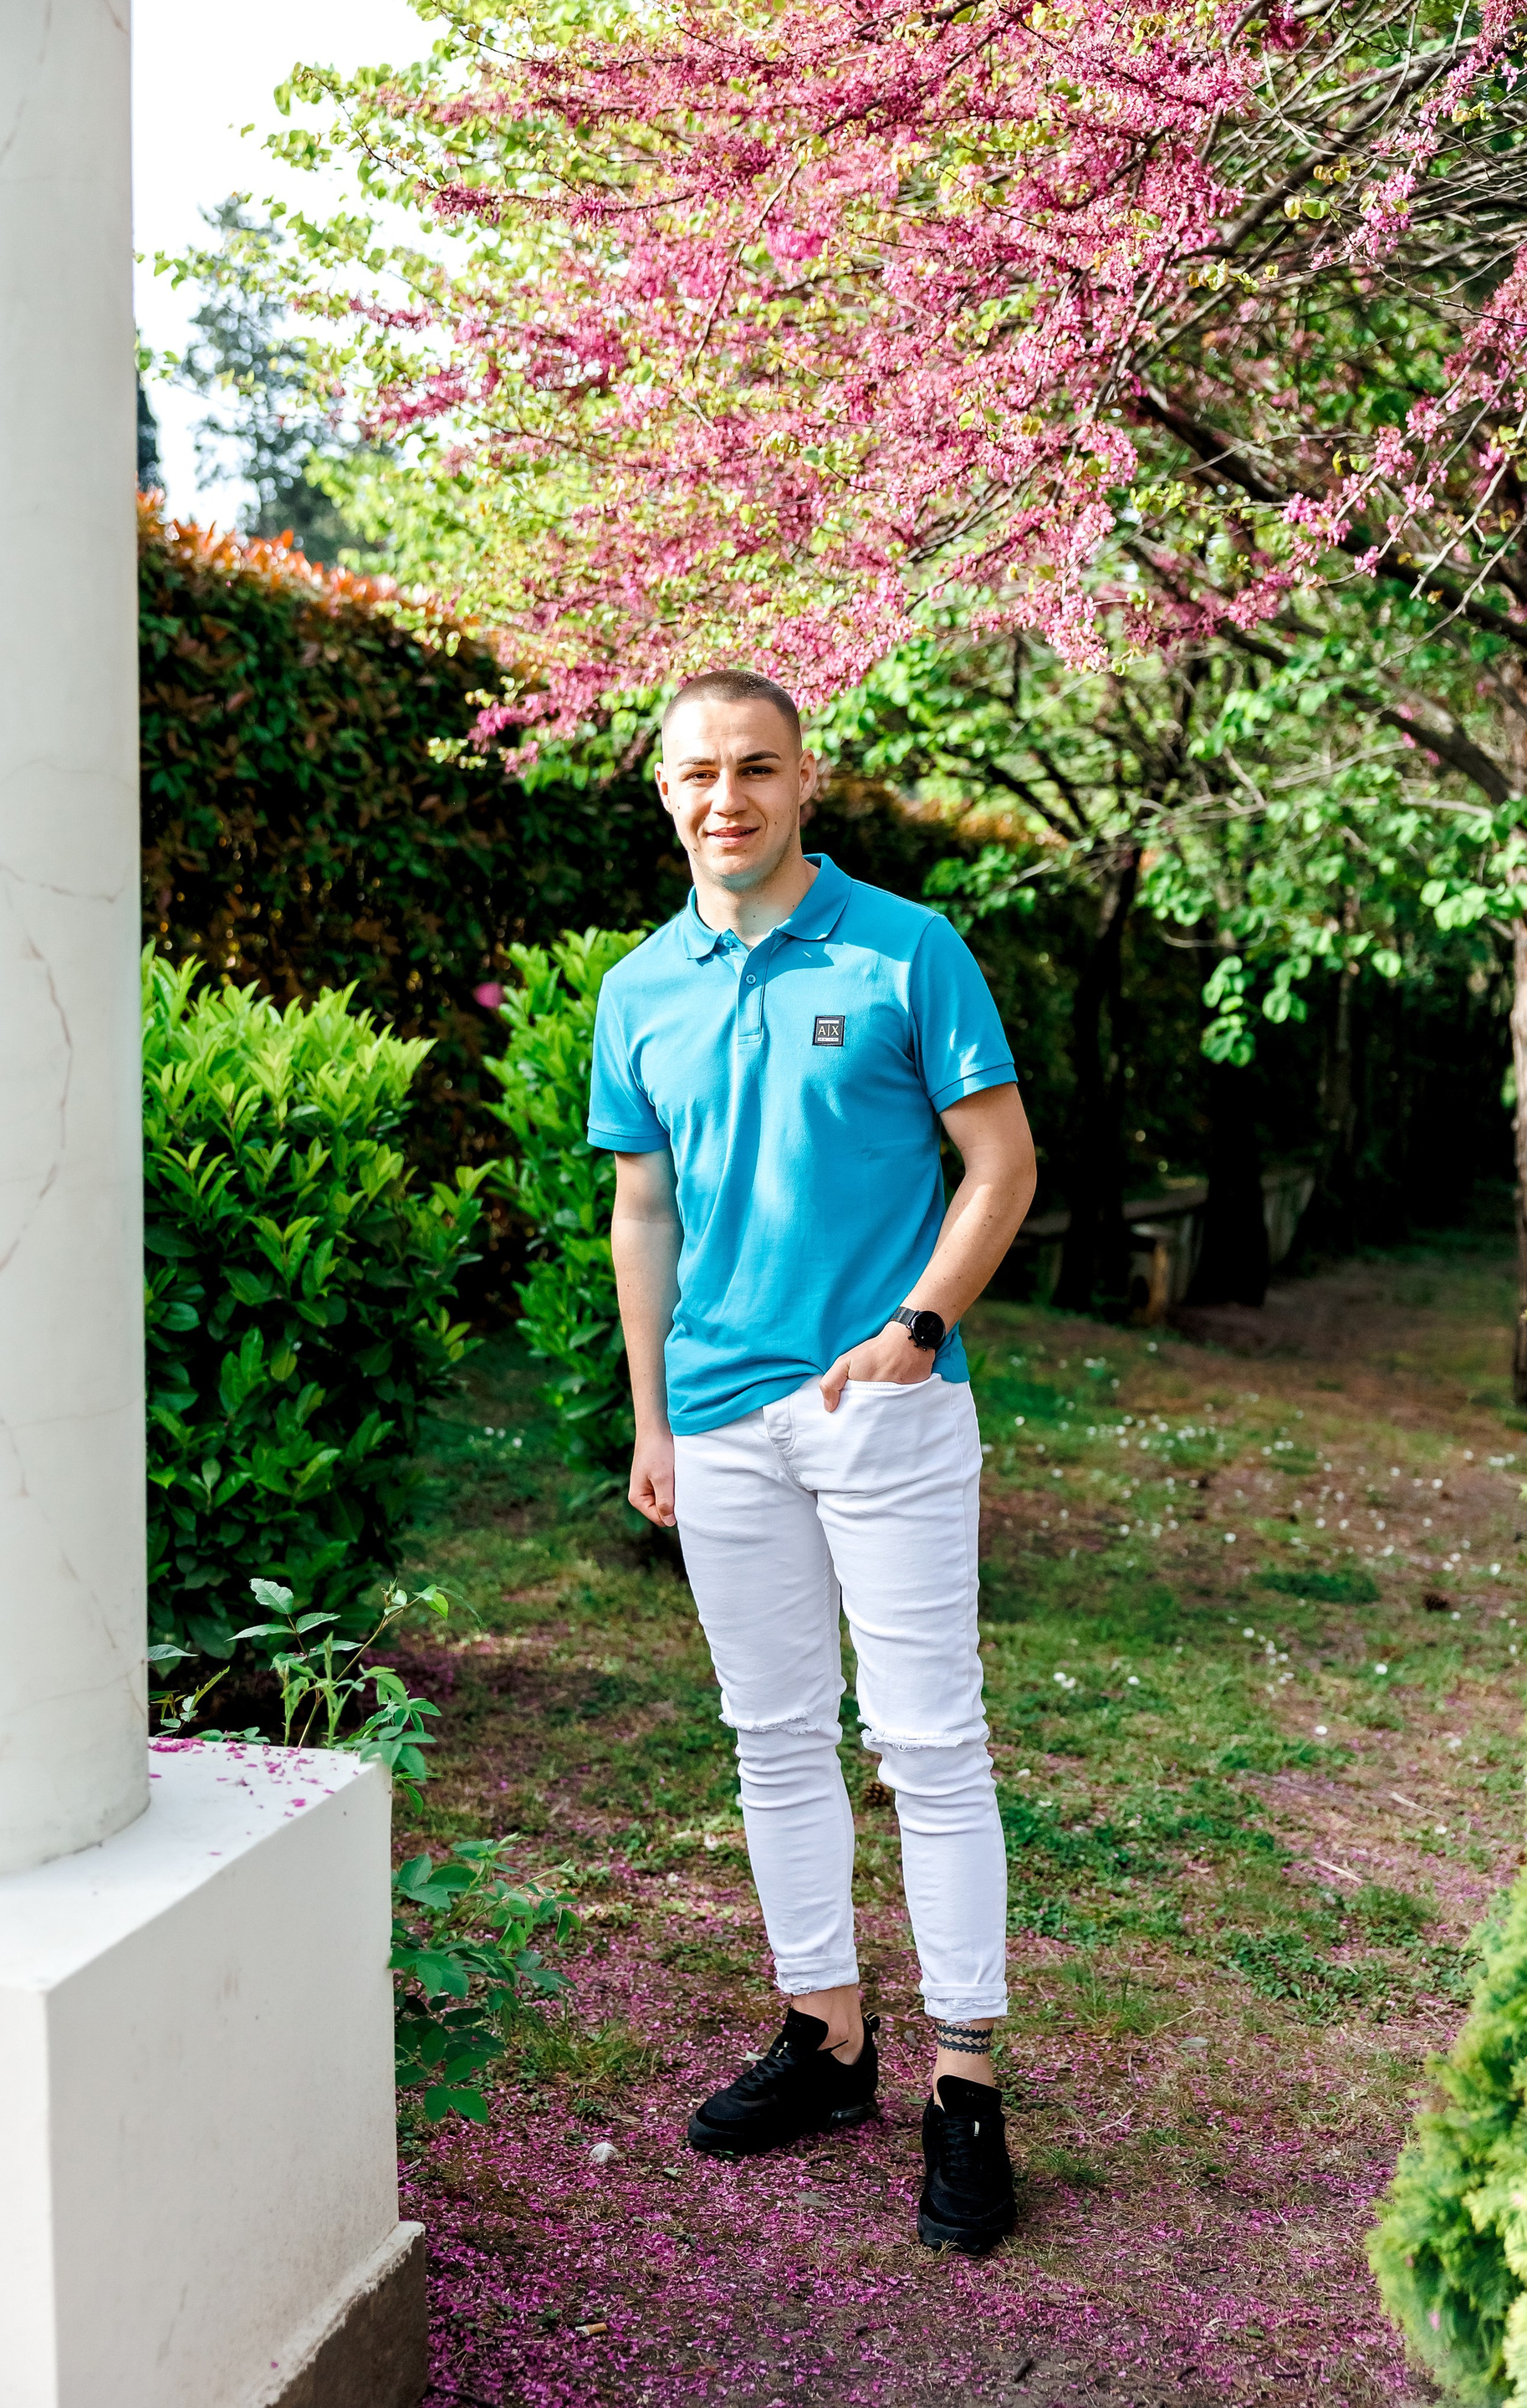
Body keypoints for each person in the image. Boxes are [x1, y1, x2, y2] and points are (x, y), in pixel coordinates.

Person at [588, 668, 1038, 2254]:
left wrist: (919, 1328)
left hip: (883, 1407)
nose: (729, 799)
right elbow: (644, 1211)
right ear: (664, 790)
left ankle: (966, 2085)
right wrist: (652, 1415)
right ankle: (828, 2037)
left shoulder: (907, 949)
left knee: (930, 1745)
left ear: (805, 781)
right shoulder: (638, 988)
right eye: (700, 773)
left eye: (758, 769)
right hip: (717, 1420)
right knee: (773, 1738)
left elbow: (1001, 1162)